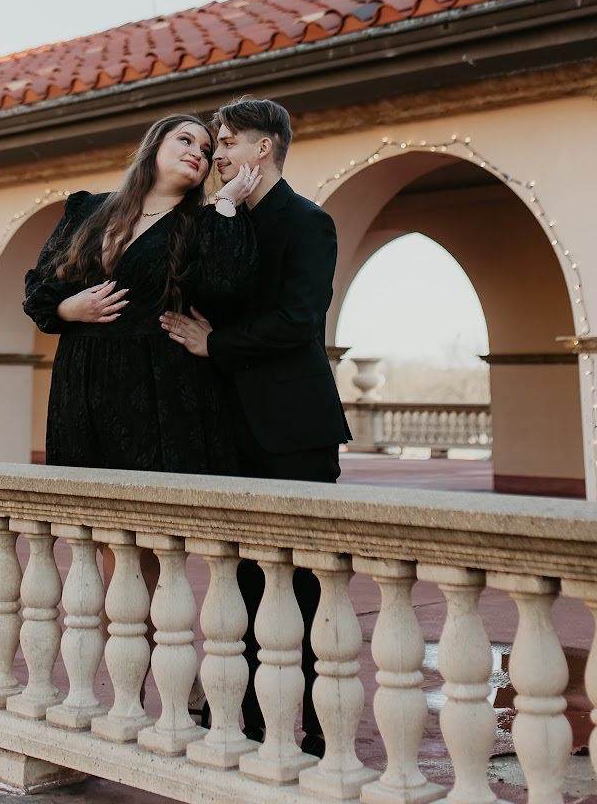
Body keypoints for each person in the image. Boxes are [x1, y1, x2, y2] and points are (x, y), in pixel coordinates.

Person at [160, 96, 348, 756]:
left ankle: (324, 722)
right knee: (235, 581)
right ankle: (241, 715)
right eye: (216, 145)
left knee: (304, 583)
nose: (217, 156)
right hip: (223, 428)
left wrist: (217, 346)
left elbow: (298, 321)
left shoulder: (307, 223)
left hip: (293, 429)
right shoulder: (218, 218)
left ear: (261, 148)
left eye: (227, 143)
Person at [22, 112, 260, 474]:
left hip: (159, 389)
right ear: (154, 146)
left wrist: (226, 202)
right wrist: (69, 309)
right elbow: (39, 287)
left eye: (206, 149)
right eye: (185, 140)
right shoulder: (88, 209)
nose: (199, 152)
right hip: (80, 385)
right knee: (86, 510)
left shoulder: (202, 223)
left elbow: (228, 283)